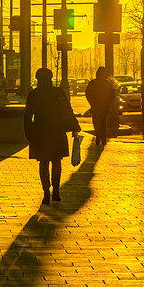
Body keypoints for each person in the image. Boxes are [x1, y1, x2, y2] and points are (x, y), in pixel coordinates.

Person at [24, 67, 81, 206]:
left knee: (43, 162)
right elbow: (67, 110)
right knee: (56, 161)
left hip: (40, 132)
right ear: (50, 78)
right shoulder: (58, 92)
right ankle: (56, 190)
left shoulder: (34, 94)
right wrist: (74, 127)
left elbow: (27, 116)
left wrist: (28, 133)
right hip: (57, 131)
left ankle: (45, 193)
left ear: (38, 79)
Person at [85, 66, 116, 146]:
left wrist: (92, 103)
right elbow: (112, 95)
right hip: (104, 106)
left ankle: (98, 135)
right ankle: (103, 138)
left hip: (95, 106)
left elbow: (88, 94)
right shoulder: (108, 84)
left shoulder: (92, 83)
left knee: (96, 122)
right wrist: (108, 102)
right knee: (103, 123)